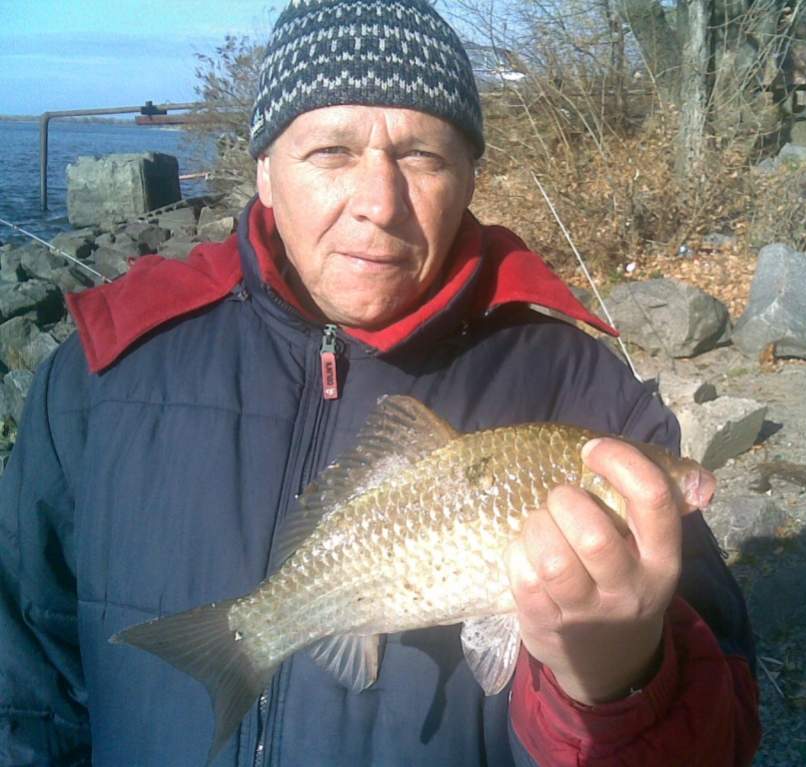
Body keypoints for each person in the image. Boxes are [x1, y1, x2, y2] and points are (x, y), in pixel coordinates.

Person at [0, 1, 760, 764]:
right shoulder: (99, 373)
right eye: (331, 150)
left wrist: (620, 683)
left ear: (469, 178)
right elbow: (24, 694)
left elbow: (722, 738)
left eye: (422, 156)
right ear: (264, 170)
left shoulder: (592, 396)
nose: (379, 204)